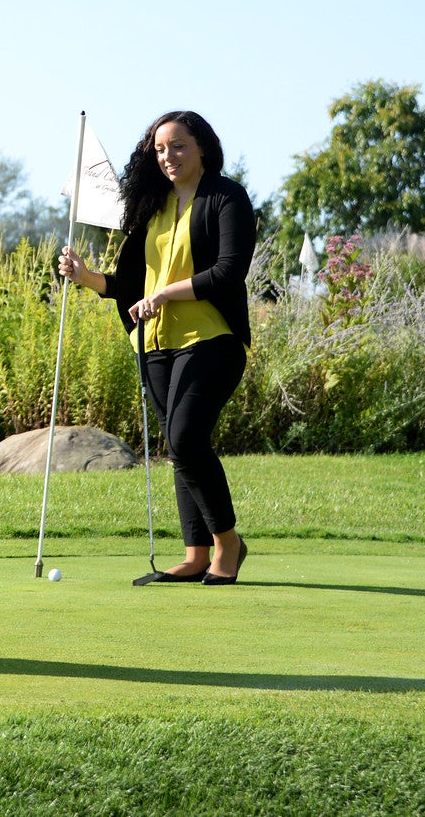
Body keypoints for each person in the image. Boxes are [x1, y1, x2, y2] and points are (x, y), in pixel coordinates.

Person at [59, 111, 257, 585]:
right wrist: (84, 276)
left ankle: (227, 544)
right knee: (180, 444)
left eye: (179, 146)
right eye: (161, 149)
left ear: (202, 148)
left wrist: (167, 293)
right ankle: (195, 552)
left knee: (186, 437)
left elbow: (230, 271)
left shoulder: (227, 197)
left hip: (213, 339)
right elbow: (128, 283)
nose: (169, 156)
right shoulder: (152, 206)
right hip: (156, 345)